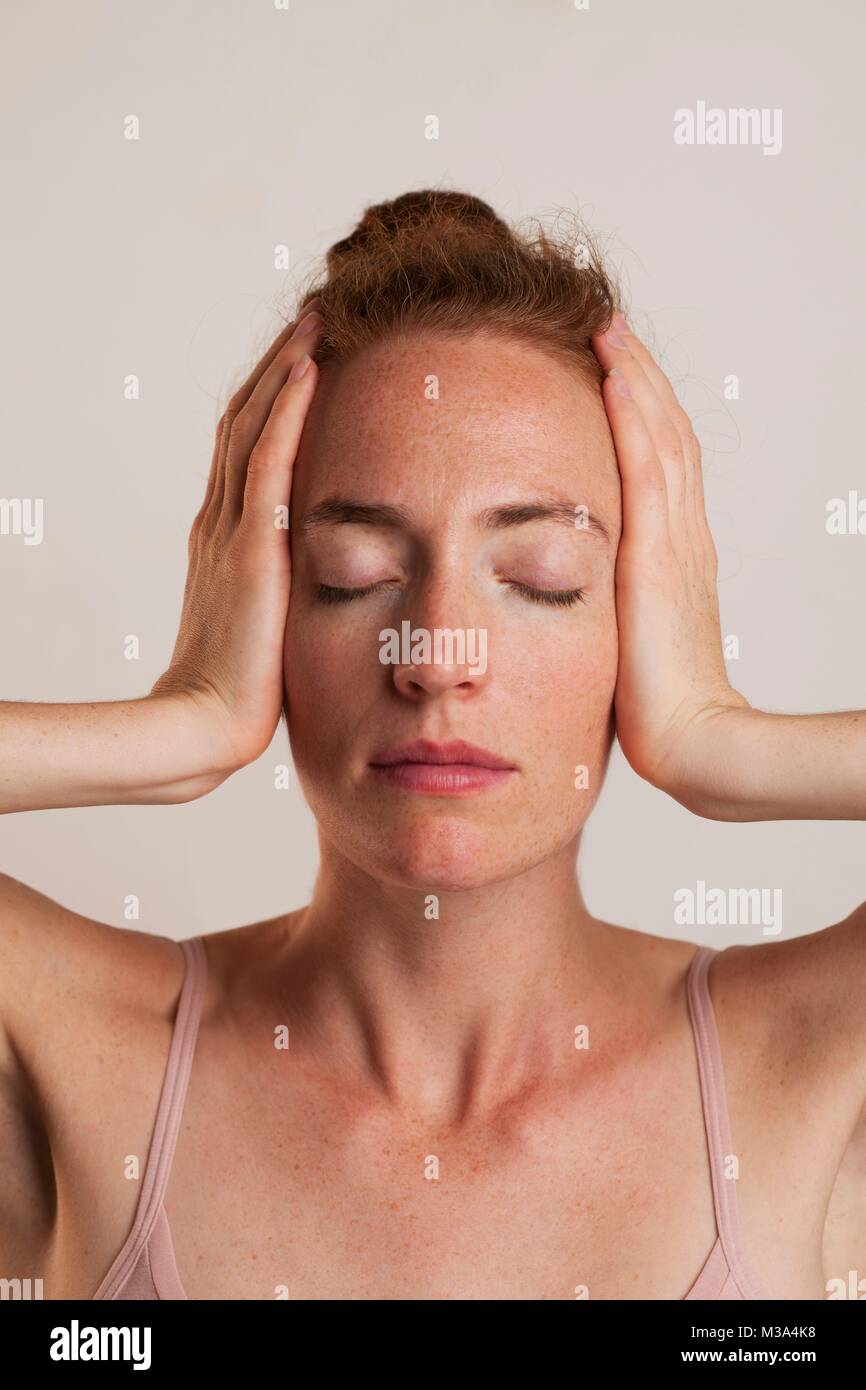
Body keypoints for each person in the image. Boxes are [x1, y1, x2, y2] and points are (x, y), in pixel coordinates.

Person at [1, 190, 864, 1301]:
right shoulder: (77, 1049)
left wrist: (722, 742)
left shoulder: (808, 1062)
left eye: (540, 580)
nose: (436, 652)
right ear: (260, 610)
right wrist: (177, 725)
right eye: (352, 578)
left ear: (641, 619)